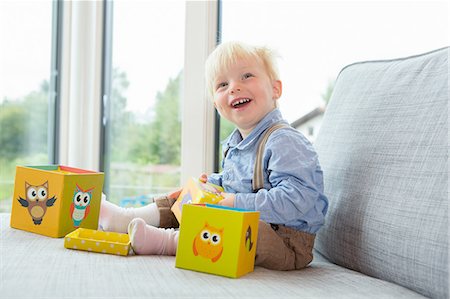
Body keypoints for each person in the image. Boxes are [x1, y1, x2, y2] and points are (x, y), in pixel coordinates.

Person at [99, 41, 328, 270]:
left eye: (247, 76)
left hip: (286, 242)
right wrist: (210, 186)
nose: (234, 87)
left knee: (235, 225)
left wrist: (234, 202)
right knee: (188, 197)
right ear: (217, 105)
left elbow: (297, 198)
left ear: (275, 89)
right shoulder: (235, 144)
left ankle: (167, 242)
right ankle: (124, 218)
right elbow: (234, 183)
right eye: (222, 84)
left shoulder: (284, 140)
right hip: (251, 221)